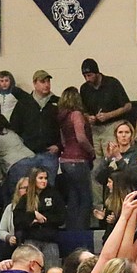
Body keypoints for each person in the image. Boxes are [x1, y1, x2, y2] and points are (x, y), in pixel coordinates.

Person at [57, 86, 95, 230]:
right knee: (85, 198)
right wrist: (91, 151)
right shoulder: (76, 114)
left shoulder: (62, 116)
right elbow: (81, 137)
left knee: (73, 197)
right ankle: (81, 232)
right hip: (78, 159)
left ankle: (71, 231)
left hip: (65, 160)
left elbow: (63, 140)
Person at [80, 58, 133, 158]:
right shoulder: (84, 88)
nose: (87, 79)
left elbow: (127, 106)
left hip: (112, 125)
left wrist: (109, 115)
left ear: (97, 73)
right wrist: (88, 117)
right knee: (97, 159)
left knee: (111, 156)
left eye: (90, 75)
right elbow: (84, 110)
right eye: (85, 76)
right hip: (95, 128)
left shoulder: (112, 83)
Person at [13, 167, 65, 269]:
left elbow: (61, 217)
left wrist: (44, 220)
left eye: (45, 178)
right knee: (29, 271)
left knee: (52, 270)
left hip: (50, 240)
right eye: (40, 178)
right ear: (33, 179)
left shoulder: (54, 195)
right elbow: (17, 220)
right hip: (31, 239)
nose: (44, 181)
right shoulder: (25, 198)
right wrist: (33, 215)